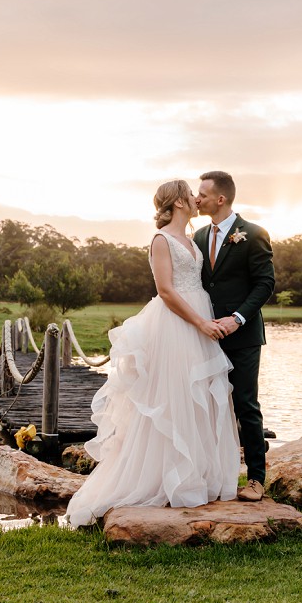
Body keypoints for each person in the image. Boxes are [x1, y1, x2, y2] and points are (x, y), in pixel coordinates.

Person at [65, 180, 240, 528]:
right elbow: (166, 291)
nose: (196, 198)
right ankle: (161, 478)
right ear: (178, 202)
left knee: (196, 399)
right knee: (171, 398)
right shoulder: (161, 240)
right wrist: (200, 323)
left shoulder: (191, 240)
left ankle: (193, 477)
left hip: (199, 319)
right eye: (190, 194)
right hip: (176, 324)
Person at [194, 170, 275, 501]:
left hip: (243, 336)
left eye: (202, 194)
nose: (196, 199)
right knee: (206, 405)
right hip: (205, 335)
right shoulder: (199, 236)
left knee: (245, 403)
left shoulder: (253, 234)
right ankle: (210, 475)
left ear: (220, 199)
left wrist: (237, 318)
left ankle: (256, 479)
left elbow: (265, 284)